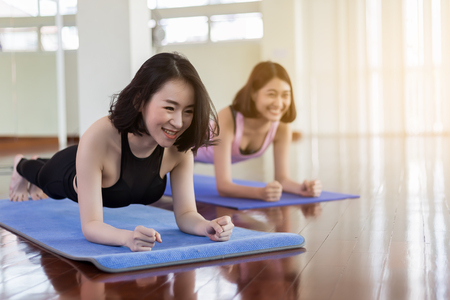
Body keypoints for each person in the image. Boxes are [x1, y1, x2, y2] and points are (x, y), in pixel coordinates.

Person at [9, 52, 234, 251]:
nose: (178, 121)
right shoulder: (99, 136)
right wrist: (126, 238)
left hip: (93, 161)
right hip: (67, 170)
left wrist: (208, 226)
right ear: (140, 101)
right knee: (43, 177)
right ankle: (21, 165)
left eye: (188, 111)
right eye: (169, 107)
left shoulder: (179, 148)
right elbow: (91, 226)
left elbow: (186, 215)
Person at [195, 61, 322, 202]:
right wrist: (259, 193)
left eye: (285, 95)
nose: (279, 103)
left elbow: (282, 179)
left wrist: (302, 188)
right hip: (179, 144)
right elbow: (224, 186)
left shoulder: (281, 127)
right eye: (271, 94)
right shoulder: (228, 118)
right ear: (254, 94)